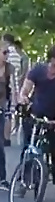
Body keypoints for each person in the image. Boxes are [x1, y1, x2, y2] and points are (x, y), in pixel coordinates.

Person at [19, 44, 55, 202]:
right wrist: (23, 97)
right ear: (53, 59)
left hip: (53, 118)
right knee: (27, 148)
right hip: (36, 115)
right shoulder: (38, 70)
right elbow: (26, 89)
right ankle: (24, 180)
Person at [2, 33, 21, 146]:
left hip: (7, 88)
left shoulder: (4, 51)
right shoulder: (18, 55)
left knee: (6, 114)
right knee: (8, 114)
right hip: (11, 87)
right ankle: (7, 137)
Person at [0, 46, 13, 189]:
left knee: (0, 144)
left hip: (1, 108)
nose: (7, 55)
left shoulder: (9, 69)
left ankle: (1, 178)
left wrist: (11, 109)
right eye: (4, 52)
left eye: (8, 52)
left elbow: (13, 90)